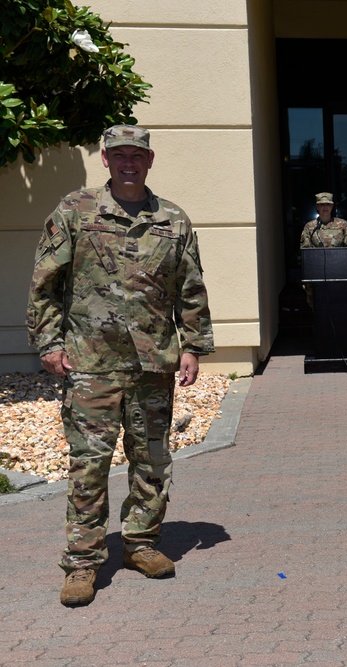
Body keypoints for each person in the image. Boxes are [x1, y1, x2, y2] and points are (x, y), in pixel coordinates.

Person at [26, 124, 215, 606]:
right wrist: (48, 342)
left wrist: (193, 346)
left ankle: (140, 543)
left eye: (137, 155)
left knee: (151, 460)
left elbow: (190, 287)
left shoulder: (173, 219)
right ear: (106, 160)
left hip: (153, 364)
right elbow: (45, 282)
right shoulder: (75, 210)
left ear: (149, 160)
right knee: (89, 465)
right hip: (90, 363)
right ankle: (82, 562)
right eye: (120, 155)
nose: (129, 162)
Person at [300, 191, 347, 309]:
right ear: (317, 206)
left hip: (338, 274)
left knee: (339, 308)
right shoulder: (310, 227)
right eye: (322, 204)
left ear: (332, 206)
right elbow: (306, 252)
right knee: (319, 309)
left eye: (328, 204)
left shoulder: (342, 224)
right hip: (317, 276)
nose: (325, 207)